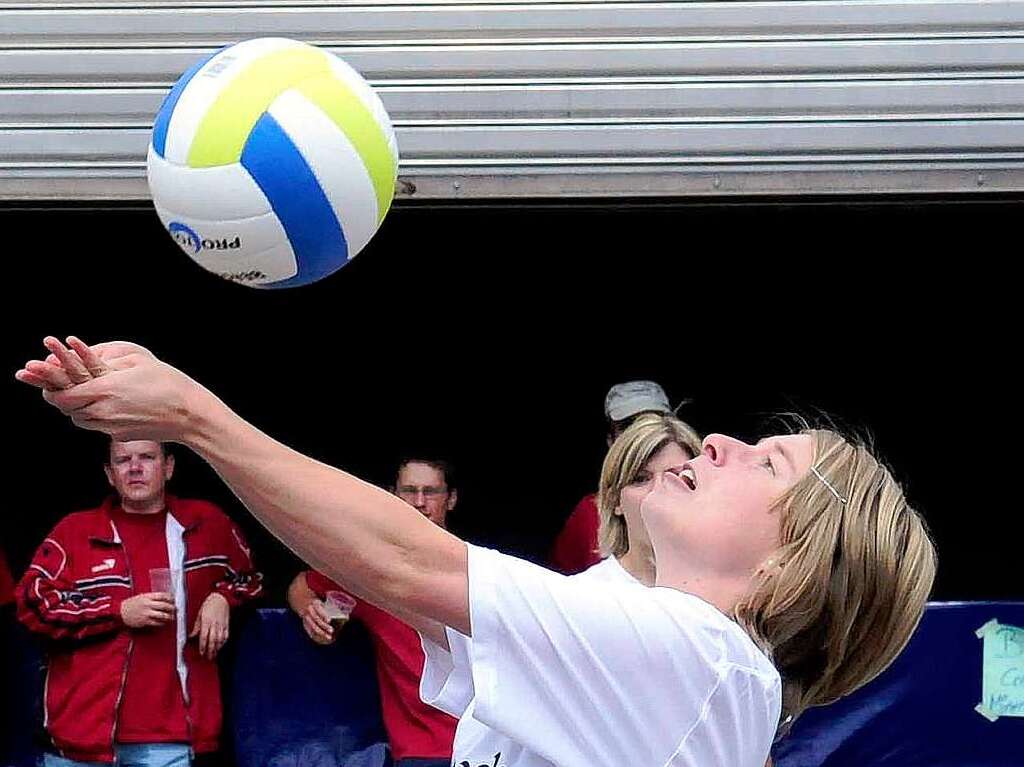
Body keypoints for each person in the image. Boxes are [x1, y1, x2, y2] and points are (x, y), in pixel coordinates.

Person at [17, 337, 938, 767]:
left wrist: (194, 416)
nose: (724, 444)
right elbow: (384, 565)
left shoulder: (706, 666)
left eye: (767, 461)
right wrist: (173, 414)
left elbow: (405, 560)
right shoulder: (643, 623)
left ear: (788, 568)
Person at [15, 433, 262, 766]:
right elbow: (33, 605)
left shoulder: (207, 524)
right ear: (109, 474)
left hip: (173, 734)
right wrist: (117, 612)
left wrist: (221, 598)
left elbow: (251, 579)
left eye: (146, 457)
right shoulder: (74, 531)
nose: (134, 468)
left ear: (169, 466)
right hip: (81, 737)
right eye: (122, 460)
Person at [288, 456, 458, 767]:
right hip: (419, 750)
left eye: (430, 491)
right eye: (409, 491)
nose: (419, 502)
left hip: (486, 742)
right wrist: (310, 612)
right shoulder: (373, 571)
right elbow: (302, 585)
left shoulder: (475, 566)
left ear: (452, 499)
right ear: (391, 496)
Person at [549, 380, 699, 574]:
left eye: (675, 476)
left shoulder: (733, 584)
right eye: (640, 479)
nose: (658, 490)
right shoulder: (586, 516)